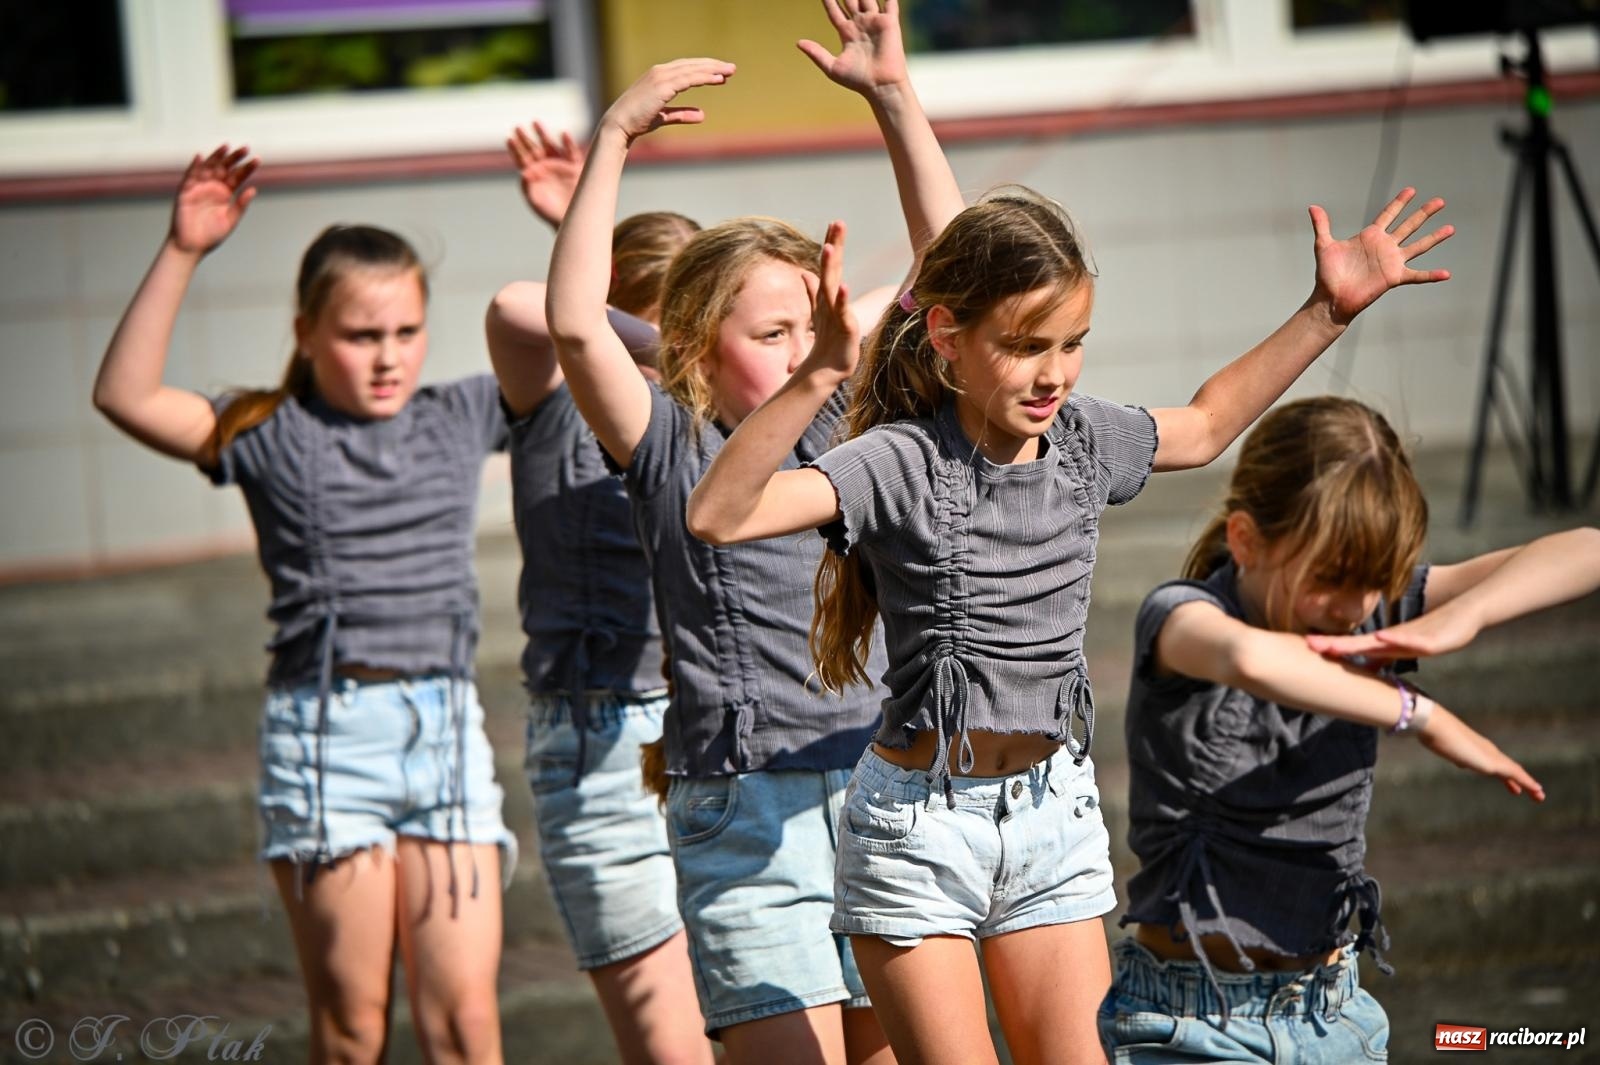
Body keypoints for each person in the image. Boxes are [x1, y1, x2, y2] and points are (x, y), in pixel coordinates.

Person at [684, 8, 1455, 1058]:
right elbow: (719, 514)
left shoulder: (1087, 440)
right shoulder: (901, 458)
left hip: (1050, 815)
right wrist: (822, 371)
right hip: (919, 830)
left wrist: (1326, 310)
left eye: (1072, 343)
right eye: (1025, 345)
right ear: (948, 339)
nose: (1052, 371)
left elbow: (1210, 418)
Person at [541, 47, 923, 1065]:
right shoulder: (667, 437)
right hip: (745, 806)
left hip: (879, 785)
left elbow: (950, 265)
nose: (802, 350)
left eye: (811, 326)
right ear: (696, 345)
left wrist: (892, 99)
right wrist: (614, 136)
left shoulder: (848, 414)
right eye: (771, 333)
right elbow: (573, 324)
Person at [92, 145, 514, 1065]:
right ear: (307, 331)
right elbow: (121, 394)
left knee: (467, 1025)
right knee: (353, 1026)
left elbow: (598, 344)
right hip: (327, 736)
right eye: (363, 335)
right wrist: (182, 247)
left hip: (443, 731)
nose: (389, 355)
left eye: (407, 330)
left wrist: (571, 225)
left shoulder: (460, 412)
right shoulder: (264, 429)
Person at [1098, 395, 1582, 1062]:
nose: (1354, 608)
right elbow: (1251, 658)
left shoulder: (1362, 612)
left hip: (1332, 1015)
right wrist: (1418, 711)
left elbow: (1584, 548)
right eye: (1330, 579)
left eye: (1373, 583)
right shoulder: (1182, 617)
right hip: (1192, 1019)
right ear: (1245, 540)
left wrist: (1460, 618)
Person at [488, 121, 713, 1064]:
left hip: (717, 733)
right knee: (671, 1048)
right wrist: (637, 328)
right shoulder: (550, 404)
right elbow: (517, 306)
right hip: (600, 738)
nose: (675, 364)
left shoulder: (717, 417)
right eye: (668, 331)